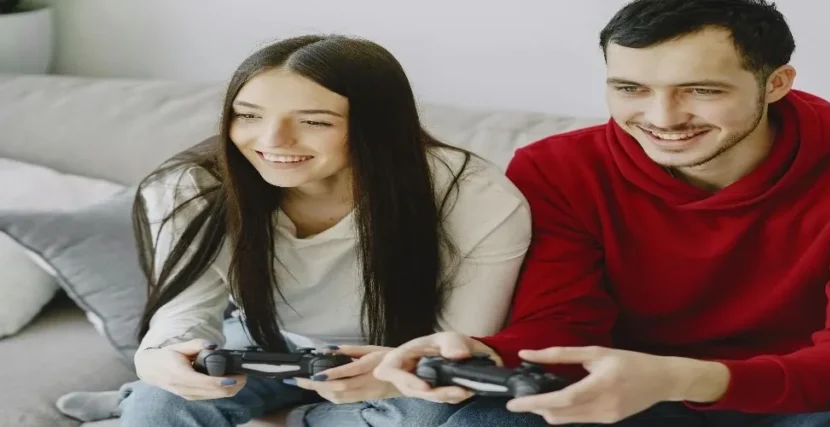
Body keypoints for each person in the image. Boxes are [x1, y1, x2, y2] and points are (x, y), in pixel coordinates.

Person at [374, 0, 830, 426]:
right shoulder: (558, 168)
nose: (663, 117)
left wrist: (683, 376)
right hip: (637, 391)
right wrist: (483, 354)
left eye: (701, 90)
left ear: (776, 83)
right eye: (630, 88)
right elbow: (564, 324)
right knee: (487, 420)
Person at [77, 34, 534, 427]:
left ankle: (287, 417)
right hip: (260, 341)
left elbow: (458, 344)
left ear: (377, 128)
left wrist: (389, 376)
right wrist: (158, 361)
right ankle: (138, 398)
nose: (272, 140)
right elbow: (184, 314)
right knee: (160, 406)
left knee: (426, 415)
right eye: (249, 115)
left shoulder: (475, 197)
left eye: (314, 122)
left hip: (397, 357)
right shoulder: (191, 187)